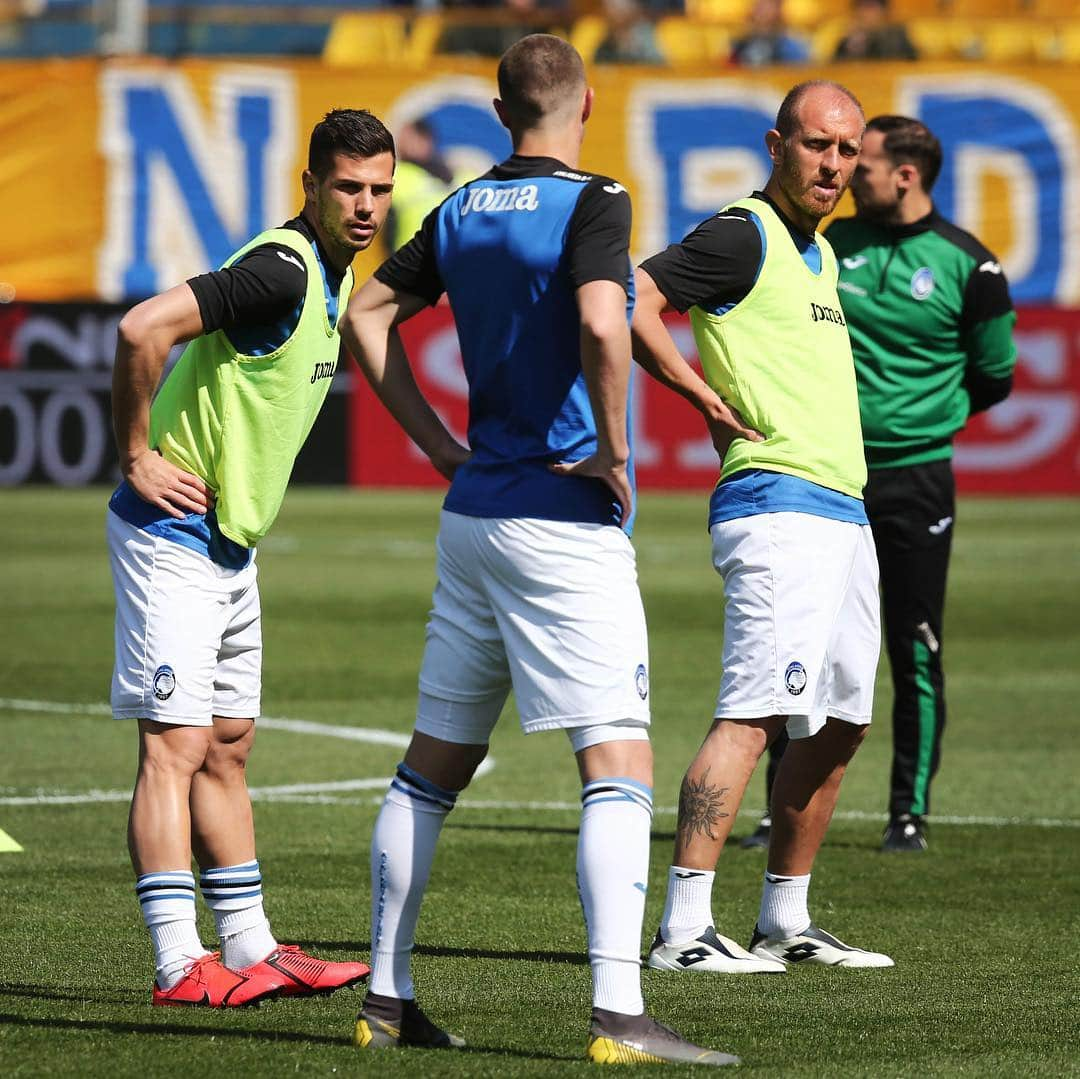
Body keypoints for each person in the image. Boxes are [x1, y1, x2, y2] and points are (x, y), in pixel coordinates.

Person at [340, 33, 737, 1066]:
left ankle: (385, 996)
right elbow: (608, 325)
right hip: (563, 522)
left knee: (432, 765)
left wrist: (433, 442)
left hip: (474, 517)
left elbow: (367, 309)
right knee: (617, 762)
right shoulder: (595, 198)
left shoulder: (461, 204)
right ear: (588, 102)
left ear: (497, 107)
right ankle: (619, 1012)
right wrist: (612, 446)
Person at [108, 109, 395, 1007]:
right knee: (176, 748)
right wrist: (135, 454)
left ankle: (252, 945)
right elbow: (141, 329)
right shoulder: (279, 269)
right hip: (174, 536)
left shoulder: (335, 275)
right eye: (348, 187)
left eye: (379, 189)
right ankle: (176, 962)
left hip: (230, 544)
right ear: (309, 186)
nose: (366, 205)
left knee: (228, 747)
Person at [630, 80, 895, 974]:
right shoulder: (742, 233)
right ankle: (683, 931)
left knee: (843, 722)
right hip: (777, 505)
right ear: (776, 144)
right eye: (818, 144)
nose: (833, 163)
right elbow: (633, 297)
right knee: (753, 714)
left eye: (847, 150)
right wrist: (696, 390)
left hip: (842, 511)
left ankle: (786, 917)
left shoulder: (816, 253)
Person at [829, 115, 1017, 849]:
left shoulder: (971, 266)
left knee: (913, 644)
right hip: (829, 470)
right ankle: (777, 808)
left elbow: (995, 376)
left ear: (906, 174)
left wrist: (927, 419)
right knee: (804, 641)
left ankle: (907, 812)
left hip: (916, 480)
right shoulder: (825, 243)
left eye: (863, 162)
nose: (848, 174)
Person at [386, 117, 467, 253]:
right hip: (445, 262)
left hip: (407, 263)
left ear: (426, 140)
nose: (400, 144)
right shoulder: (461, 178)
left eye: (407, 138)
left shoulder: (398, 174)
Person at [730, 0, 810, 68]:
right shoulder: (741, 41)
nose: (761, 9)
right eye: (759, 4)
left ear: (778, 9)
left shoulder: (790, 44)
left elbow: (799, 73)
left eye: (767, 5)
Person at [832, 0, 917, 61]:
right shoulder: (849, 36)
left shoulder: (897, 32)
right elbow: (837, 67)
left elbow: (911, 60)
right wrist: (852, 48)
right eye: (862, 7)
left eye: (871, 7)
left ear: (883, 11)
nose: (866, 13)